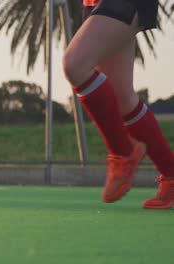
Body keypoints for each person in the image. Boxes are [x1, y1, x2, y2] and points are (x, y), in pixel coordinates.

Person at [63, 0, 174, 209]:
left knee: (75, 64)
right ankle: (171, 175)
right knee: (123, 99)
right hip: (94, 3)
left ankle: (123, 151)